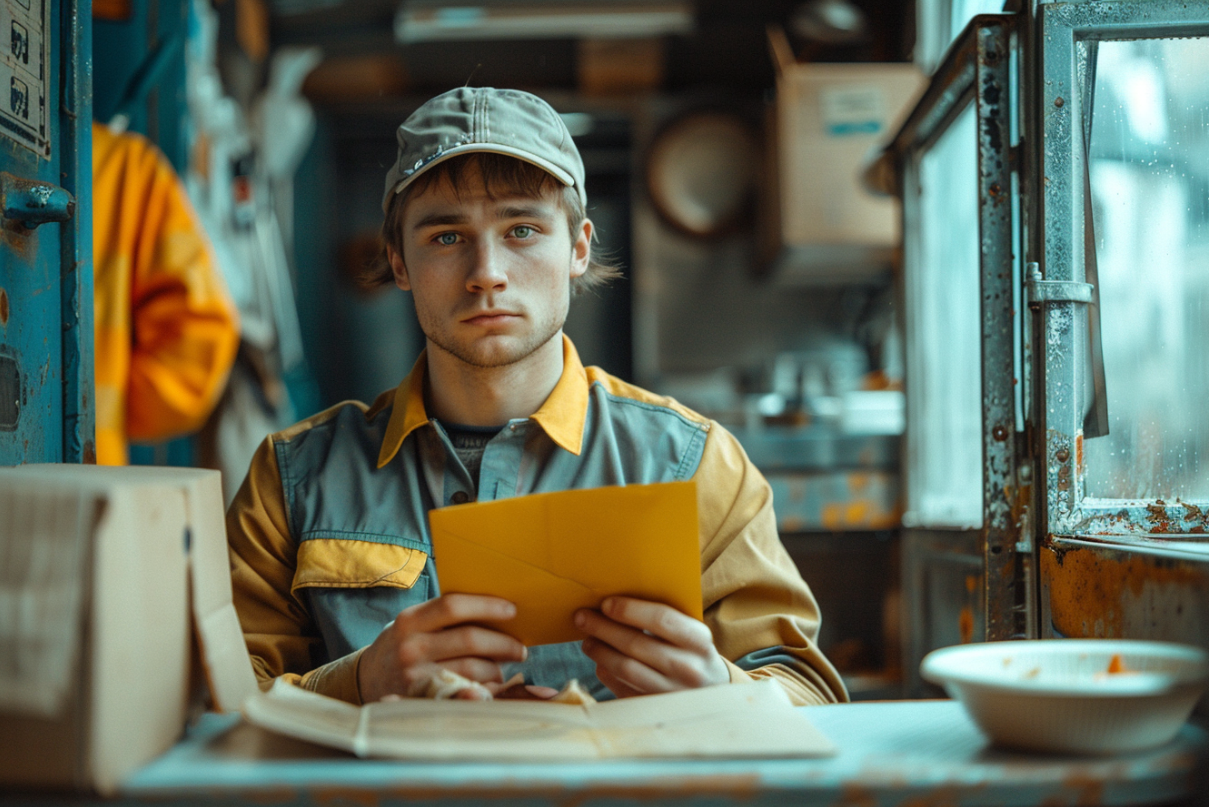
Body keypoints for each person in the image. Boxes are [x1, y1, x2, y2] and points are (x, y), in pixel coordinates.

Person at [226, 87, 847, 706]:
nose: (486, 271)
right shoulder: (292, 479)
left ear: (577, 248)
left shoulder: (696, 465)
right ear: (399, 262)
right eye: (446, 236)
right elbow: (216, 703)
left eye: (522, 229)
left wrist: (720, 691)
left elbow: (812, 695)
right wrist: (357, 683)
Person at [92, 122, 240, 465]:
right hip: (68, 490)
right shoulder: (121, 168)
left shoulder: (127, 170)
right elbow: (198, 350)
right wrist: (103, 401)